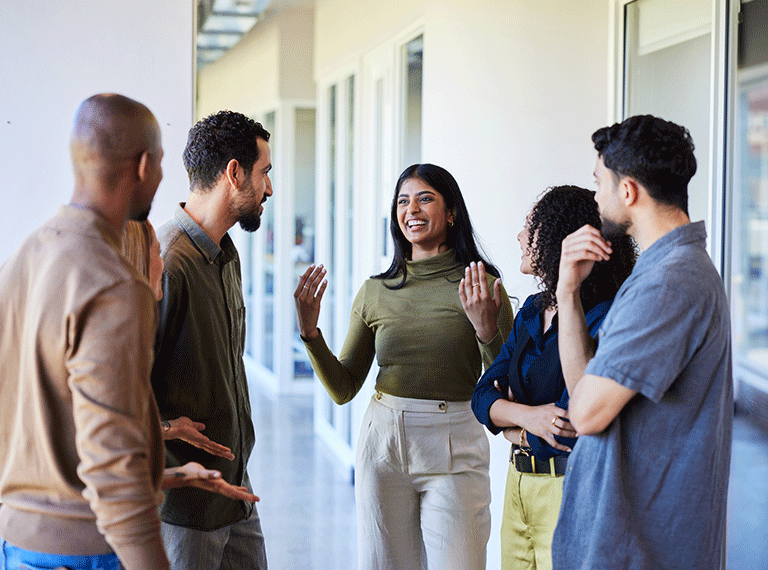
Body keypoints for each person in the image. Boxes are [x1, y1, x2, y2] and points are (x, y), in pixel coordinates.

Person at [295, 163, 515, 570]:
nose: (411, 209)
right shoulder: (375, 291)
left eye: (425, 198)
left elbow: (509, 387)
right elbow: (344, 388)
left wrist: (486, 330)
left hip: (456, 442)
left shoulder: (483, 284)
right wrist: (311, 334)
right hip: (383, 445)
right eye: (402, 200)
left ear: (451, 212)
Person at [552, 115, 733, 570]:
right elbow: (584, 391)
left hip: (642, 550)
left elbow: (586, 414)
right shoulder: (660, 273)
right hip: (626, 542)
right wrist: (567, 290)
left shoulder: (670, 284)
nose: (595, 197)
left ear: (628, 191)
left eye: (599, 183)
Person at [0, 94, 168, 570]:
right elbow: (112, 464)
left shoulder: (20, 261)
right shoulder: (112, 284)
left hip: (16, 546)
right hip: (83, 554)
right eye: (160, 164)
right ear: (143, 166)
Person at [471, 186, 636, 570]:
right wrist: (527, 420)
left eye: (530, 227)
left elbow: (567, 426)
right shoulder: (531, 309)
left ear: (559, 239)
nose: (519, 238)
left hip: (567, 488)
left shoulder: (604, 316)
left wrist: (507, 413)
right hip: (518, 485)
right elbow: (481, 396)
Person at [151, 110, 271, 570]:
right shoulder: (167, 261)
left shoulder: (226, 256)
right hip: (185, 511)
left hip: (237, 496)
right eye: (265, 174)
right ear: (234, 173)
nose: (270, 190)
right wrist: (162, 428)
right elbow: (120, 382)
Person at [122, 220, 260, 501]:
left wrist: (184, 475)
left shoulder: (228, 255)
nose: (165, 263)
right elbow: (106, 463)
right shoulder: (112, 351)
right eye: (158, 254)